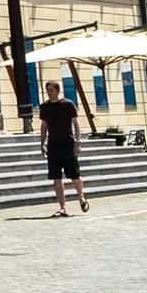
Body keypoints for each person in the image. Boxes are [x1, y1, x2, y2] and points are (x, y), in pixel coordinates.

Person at [37, 80, 88, 215]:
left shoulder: (68, 104)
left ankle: (81, 197)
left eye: (51, 90)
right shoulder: (44, 107)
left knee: (74, 175)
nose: (49, 93)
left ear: (57, 91)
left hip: (68, 144)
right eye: (47, 90)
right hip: (53, 146)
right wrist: (42, 144)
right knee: (56, 177)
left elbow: (76, 124)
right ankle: (62, 207)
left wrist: (78, 142)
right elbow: (44, 126)